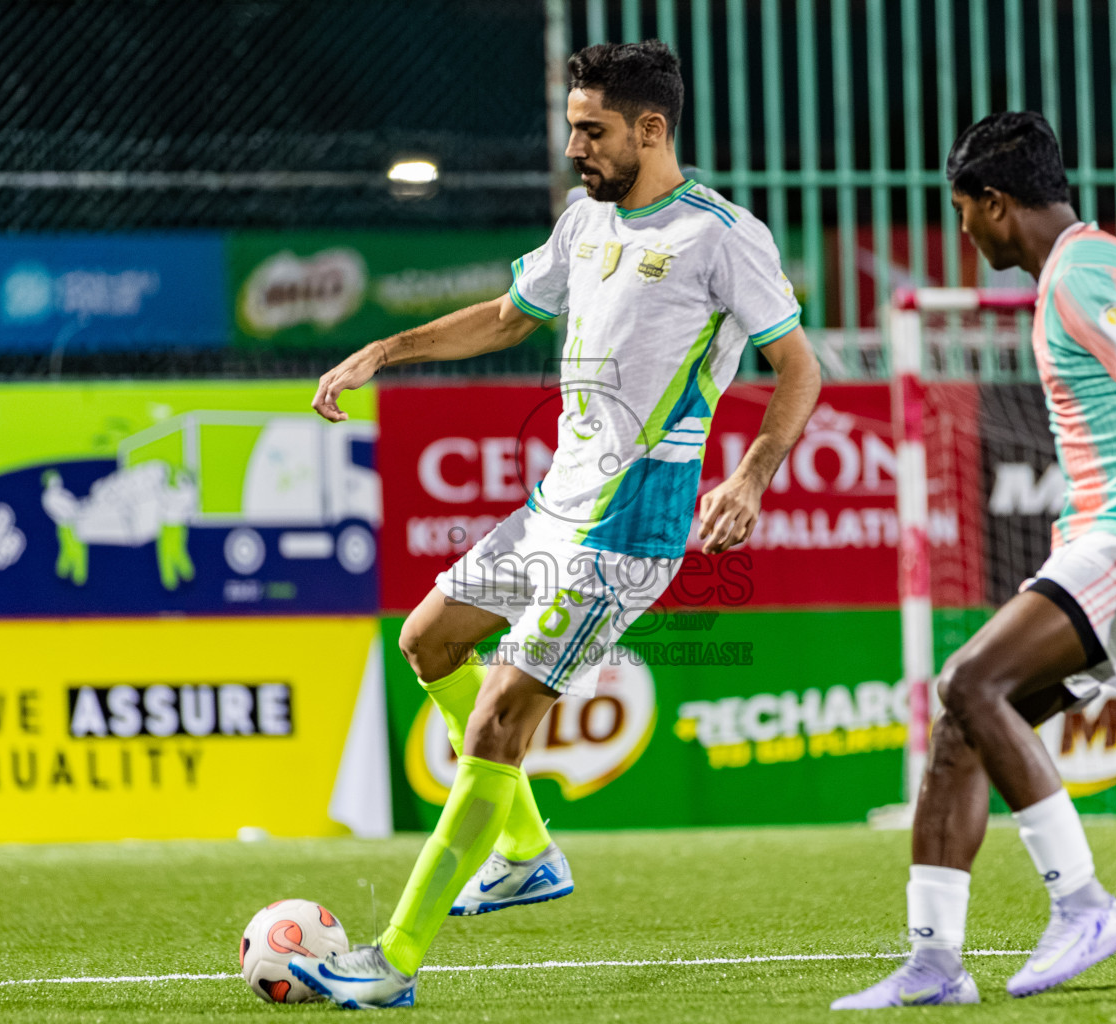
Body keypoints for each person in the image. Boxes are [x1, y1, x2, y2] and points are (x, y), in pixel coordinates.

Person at [289, 40, 822, 1009]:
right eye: (573, 127)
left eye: (592, 130)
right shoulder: (584, 219)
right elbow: (506, 311)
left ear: (651, 130)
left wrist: (748, 476)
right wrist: (384, 349)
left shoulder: (721, 235)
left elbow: (800, 367)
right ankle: (528, 851)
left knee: (499, 716)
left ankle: (393, 960)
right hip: (553, 509)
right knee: (427, 642)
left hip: (630, 527)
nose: (575, 146)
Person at [832, 111, 1116, 1010]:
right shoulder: (1087, 266)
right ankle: (935, 965)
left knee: (969, 680)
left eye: (962, 209)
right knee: (962, 732)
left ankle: (1083, 904)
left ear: (997, 202)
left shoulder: (1083, 275)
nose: (962, 229)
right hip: (1112, 538)